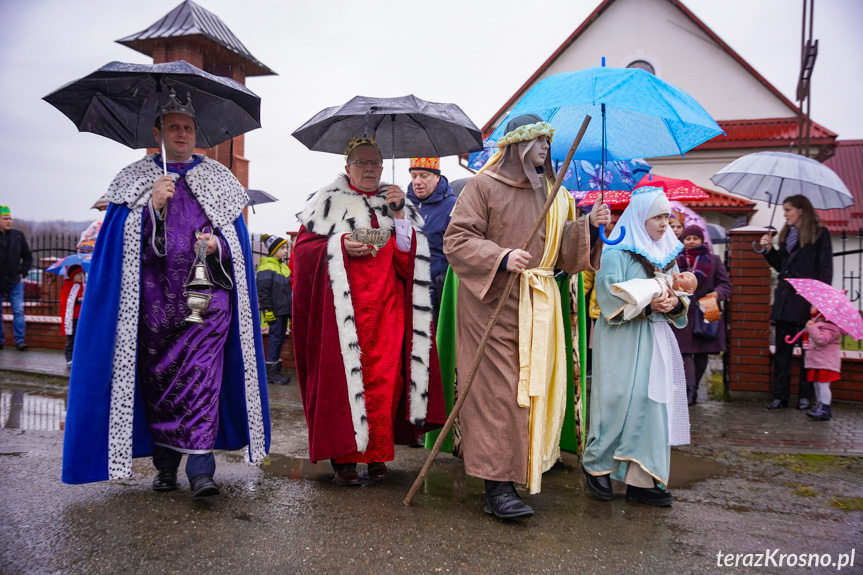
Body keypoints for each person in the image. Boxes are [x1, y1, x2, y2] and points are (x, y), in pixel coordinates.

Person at [62, 92, 270, 497]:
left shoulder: (218, 180)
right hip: (155, 313)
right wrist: (152, 209)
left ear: (197, 135)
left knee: (203, 383)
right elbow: (117, 249)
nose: (182, 134)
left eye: (188, 128)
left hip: (207, 305)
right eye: (173, 127)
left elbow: (238, 246)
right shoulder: (137, 180)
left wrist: (217, 248)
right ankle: (165, 465)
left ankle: (202, 469)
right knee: (161, 388)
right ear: (158, 133)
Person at [442, 114, 608, 519]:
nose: (546, 149)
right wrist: (500, 256)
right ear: (518, 145)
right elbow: (457, 239)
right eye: (538, 141)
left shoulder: (556, 193)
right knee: (497, 394)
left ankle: (522, 471)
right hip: (491, 306)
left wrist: (589, 227)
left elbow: (564, 252)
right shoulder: (483, 186)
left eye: (549, 142)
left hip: (539, 304)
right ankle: (497, 487)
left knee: (531, 392)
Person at [291, 137, 445, 486]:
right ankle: (344, 459)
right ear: (348, 168)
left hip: (388, 313)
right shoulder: (326, 203)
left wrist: (401, 215)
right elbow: (302, 253)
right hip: (342, 315)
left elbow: (410, 260)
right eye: (362, 162)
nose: (370, 168)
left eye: (375, 162)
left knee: (386, 383)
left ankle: (377, 455)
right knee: (343, 386)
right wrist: (339, 244)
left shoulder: (394, 203)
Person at [582, 186, 689, 508]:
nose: (663, 224)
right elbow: (607, 297)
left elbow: (678, 294)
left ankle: (642, 478)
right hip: (620, 339)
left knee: (651, 405)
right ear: (641, 217)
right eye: (657, 217)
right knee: (616, 400)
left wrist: (673, 302)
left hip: (655, 339)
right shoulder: (615, 252)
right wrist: (646, 304)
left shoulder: (667, 255)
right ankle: (597, 466)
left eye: (667, 217)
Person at [760, 194, 832, 410]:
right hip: (785, 300)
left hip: (807, 300)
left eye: (788, 210)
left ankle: (804, 396)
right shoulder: (786, 235)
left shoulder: (820, 234)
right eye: (784, 210)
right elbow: (782, 267)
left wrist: (818, 300)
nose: (785, 214)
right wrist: (769, 250)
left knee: (808, 352)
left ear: (801, 210)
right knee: (782, 351)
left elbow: (825, 268)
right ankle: (780, 397)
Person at [673, 225, 732, 405]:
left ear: (702, 240)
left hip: (707, 309)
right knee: (685, 354)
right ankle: (689, 392)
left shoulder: (713, 260)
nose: (691, 241)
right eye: (688, 238)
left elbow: (725, 285)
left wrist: (716, 294)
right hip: (683, 312)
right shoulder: (675, 259)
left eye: (695, 238)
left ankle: (695, 387)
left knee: (702, 354)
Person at [406, 157, 457, 323]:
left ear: (437, 176)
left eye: (424, 175)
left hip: (437, 291)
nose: (417, 182)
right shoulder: (403, 206)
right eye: (414, 176)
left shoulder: (453, 206)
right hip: (407, 288)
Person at [257, 233, 292, 385]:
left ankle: (275, 371)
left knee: (279, 340)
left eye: (286, 248)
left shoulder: (283, 266)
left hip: (284, 311)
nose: (286, 251)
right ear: (274, 249)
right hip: (275, 311)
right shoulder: (266, 266)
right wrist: (268, 310)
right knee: (275, 340)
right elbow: (263, 291)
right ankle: (271, 373)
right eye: (283, 248)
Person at [0, 204, 32, 351]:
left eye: (10, 218)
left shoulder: (18, 235)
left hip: (14, 279)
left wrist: (22, 272)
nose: (9, 221)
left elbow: (27, 257)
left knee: (18, 310)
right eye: (5, 218)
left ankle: (20, 340)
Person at [801, 306, 842, 421]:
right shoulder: (817, 323)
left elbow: (821, 340)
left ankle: (824, 407)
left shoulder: (831, 327)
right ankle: (819, 405)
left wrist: (812, 328)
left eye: (814, 307)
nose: (811, 308)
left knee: (823, 385)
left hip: (825, 362)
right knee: (816, 384)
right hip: (817, 361)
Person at [60, 264, 85, 368]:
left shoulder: (84, 286)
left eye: (82, 273)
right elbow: (66, 301)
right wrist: (79, 299)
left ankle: (80, 358)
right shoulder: (68, 286)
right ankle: (69, 358)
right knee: (72, 338)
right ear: (72, 275)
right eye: (78, 274)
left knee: (82, 338)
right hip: (73, 317)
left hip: (83, 317)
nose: (81, 276)